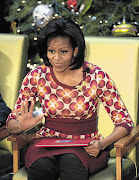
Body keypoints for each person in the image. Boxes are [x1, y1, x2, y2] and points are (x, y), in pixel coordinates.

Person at [6, 18, 133, 180]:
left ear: (76, 50)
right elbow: (11, 124)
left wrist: (102, 143)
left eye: (63, 52)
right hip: (46, 142)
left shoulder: (96, 76)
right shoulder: (36, 76)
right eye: (51, 51)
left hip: (85, 145)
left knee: (71, 164)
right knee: (42, 167)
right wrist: (20, 126)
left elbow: (124, 122)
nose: (56, 58)